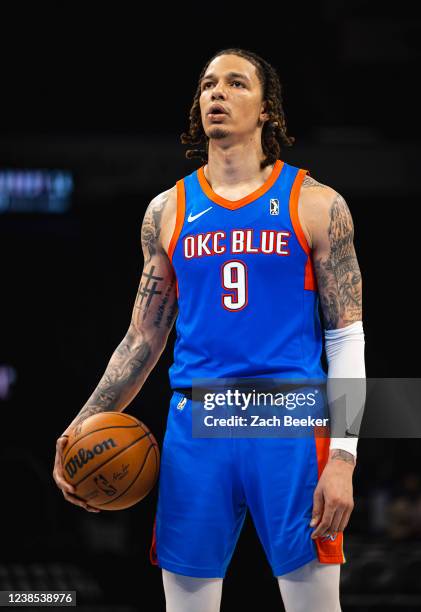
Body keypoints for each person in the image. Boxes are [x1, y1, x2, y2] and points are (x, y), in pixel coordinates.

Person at [53, 48, 365, 612]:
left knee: (314, 607)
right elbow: (143, 340)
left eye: (235, 84)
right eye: (207, 85)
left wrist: (343, 457)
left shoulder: (318, 204)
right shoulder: (166, 211)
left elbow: (346, 339)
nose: (216, 93)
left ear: (266, 108)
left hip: (288, 422)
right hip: (196, 424)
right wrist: (79, 426)